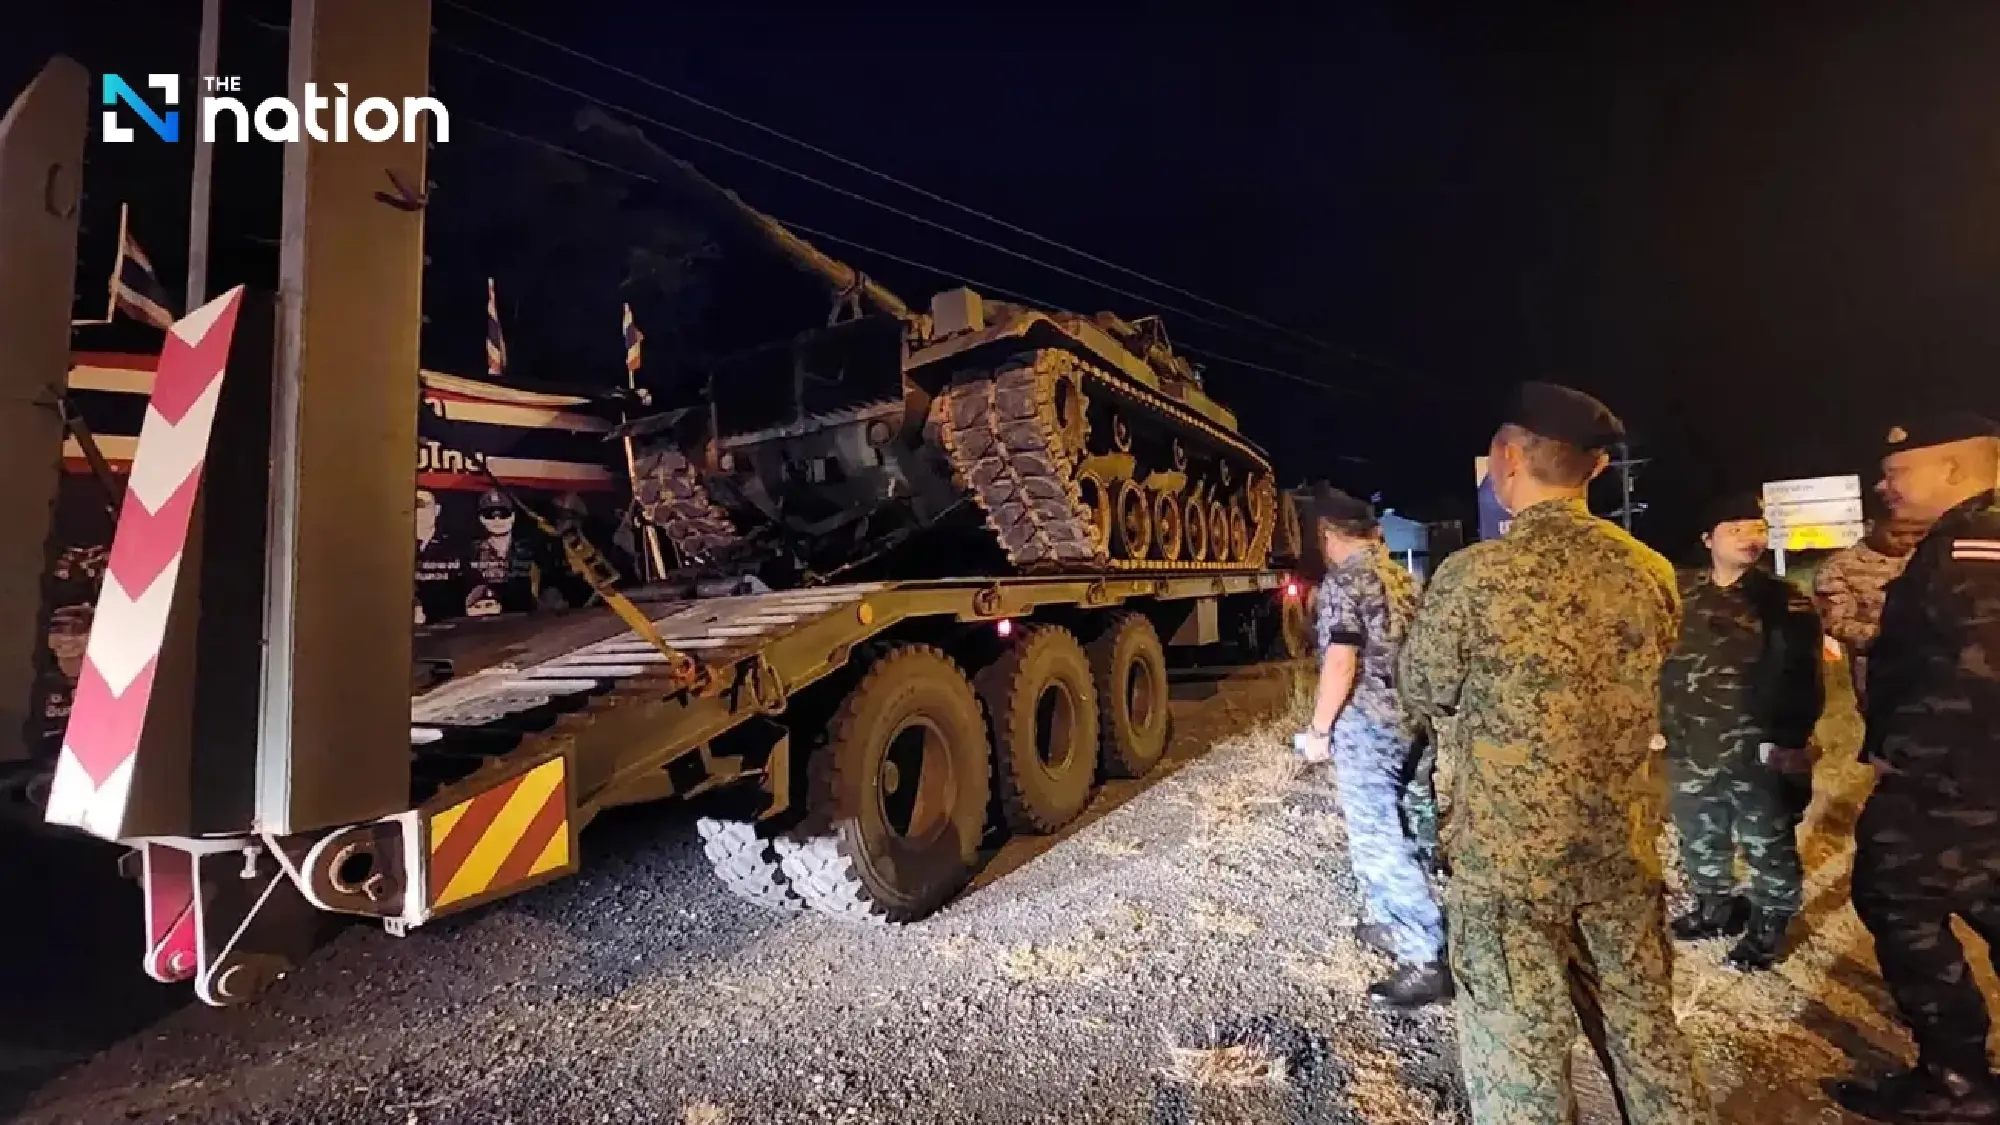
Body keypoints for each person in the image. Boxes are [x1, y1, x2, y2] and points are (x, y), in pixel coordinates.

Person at [1400, 382, 1712, 1125]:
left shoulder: (1475, 576)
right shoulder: (1651, 571)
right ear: (1594, 471)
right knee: (1647, 1041)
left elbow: (1423, 687)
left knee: (1521, 1063)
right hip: (1615, 853)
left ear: (1507, 458)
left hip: (1508, 870)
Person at [1831, 412, 2000, 1124]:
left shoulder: (1973, 543)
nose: (1883, 483)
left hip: (1953, 786)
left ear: (1954, 470)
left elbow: (1970, 675)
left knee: (1899, 898)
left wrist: (1911, 767)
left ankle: (1957, 1080)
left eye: (1899, 471)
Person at [1294, 485, 1450, 1009]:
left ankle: (1423, 955)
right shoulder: (1404, 579)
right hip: (1411, 722)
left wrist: (1318, 732)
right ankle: (1391, 920)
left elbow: (1342, 661)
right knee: (1404, 826)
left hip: (1370, 727)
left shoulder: (1346, 581)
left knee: (1378, 839)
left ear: (1328, 535)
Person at [1659, 493, 1824, 972]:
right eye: (1736, 529)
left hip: (1756, 746)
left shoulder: (1783, 601)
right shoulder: (1680, 595)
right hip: (1689, 741)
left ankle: (1769, 924)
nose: (1750, 539)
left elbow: (1803, 677)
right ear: (1708, 538)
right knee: (1699, 832)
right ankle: (1716, 908)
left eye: (1757, 528)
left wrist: (1792, 742)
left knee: (1766, 840)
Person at [1813, 505, 1927, 709]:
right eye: (1897, 534)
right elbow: (1835, 622)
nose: (1908, 540)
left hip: (1935, 666)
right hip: (1878, 670)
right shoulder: (1841, 566)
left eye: (1917, 534)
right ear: (1871, 526)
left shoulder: (1929, 559)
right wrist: (1887, 636)